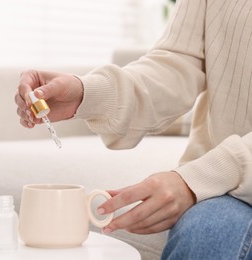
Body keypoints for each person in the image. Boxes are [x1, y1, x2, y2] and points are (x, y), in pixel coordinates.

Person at [15, 0, 252, 259]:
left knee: (210, 232)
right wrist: (87, 93)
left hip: (220, 183)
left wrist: (197, 179)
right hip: (223, 192)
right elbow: (179, 62)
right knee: (208, 233)